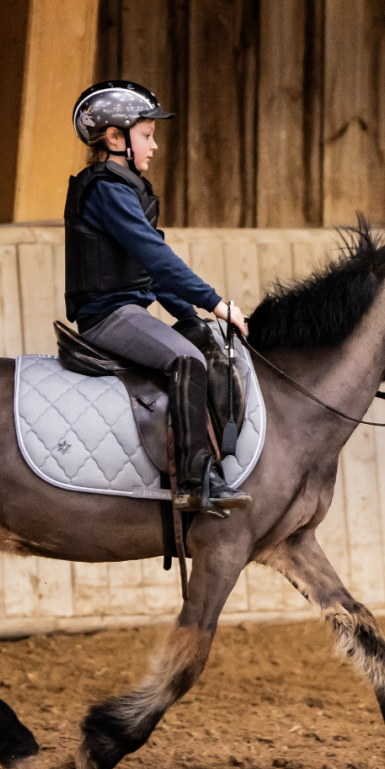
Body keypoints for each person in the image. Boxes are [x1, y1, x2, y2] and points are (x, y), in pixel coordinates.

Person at [65, 80, 251, 517]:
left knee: (198, 339)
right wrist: (217, 303)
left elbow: (151, 273)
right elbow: (158, 257)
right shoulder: (106, 189)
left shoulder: (128, 187)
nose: (154, 146)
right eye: (146, 135)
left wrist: (191, 317)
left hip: (130, 308)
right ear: (115, 138)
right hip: (108, 316)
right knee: (187, 360)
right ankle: (192, 480)